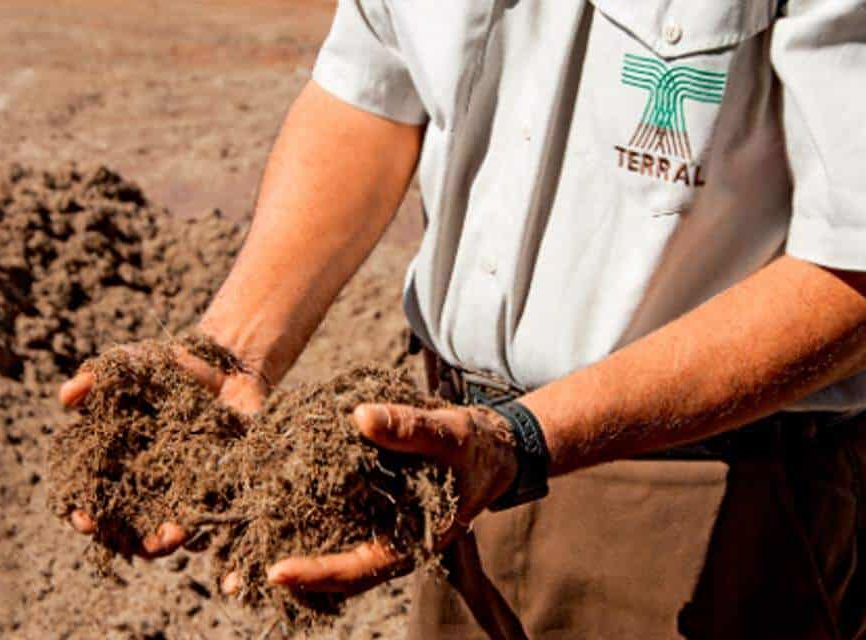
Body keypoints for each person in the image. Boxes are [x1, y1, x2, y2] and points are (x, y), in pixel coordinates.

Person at [61, 1, 866, 637]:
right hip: (451, 468)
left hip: (704, 492)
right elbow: (372, 90)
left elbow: (855, 260)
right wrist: (231, 349)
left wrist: (522, 442)